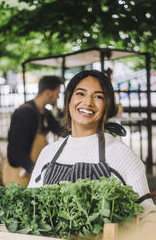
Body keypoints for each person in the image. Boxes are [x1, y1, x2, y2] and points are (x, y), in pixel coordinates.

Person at [28, 69, 156, 223]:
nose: (88, 102)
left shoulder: (122, 155)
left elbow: (147, 215)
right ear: (69, 100)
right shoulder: (49, 153)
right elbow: (30, 206)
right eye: (81, 93)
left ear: (107, 106)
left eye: (98, 96)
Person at [2, 75, 63, 187]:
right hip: (20, 174)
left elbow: (60, 130)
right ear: (48, 93)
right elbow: (16, 151)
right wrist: (36, 171)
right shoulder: (25, 113)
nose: (58, 97)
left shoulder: (45, 113)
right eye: (57, 93)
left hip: (32, 173)